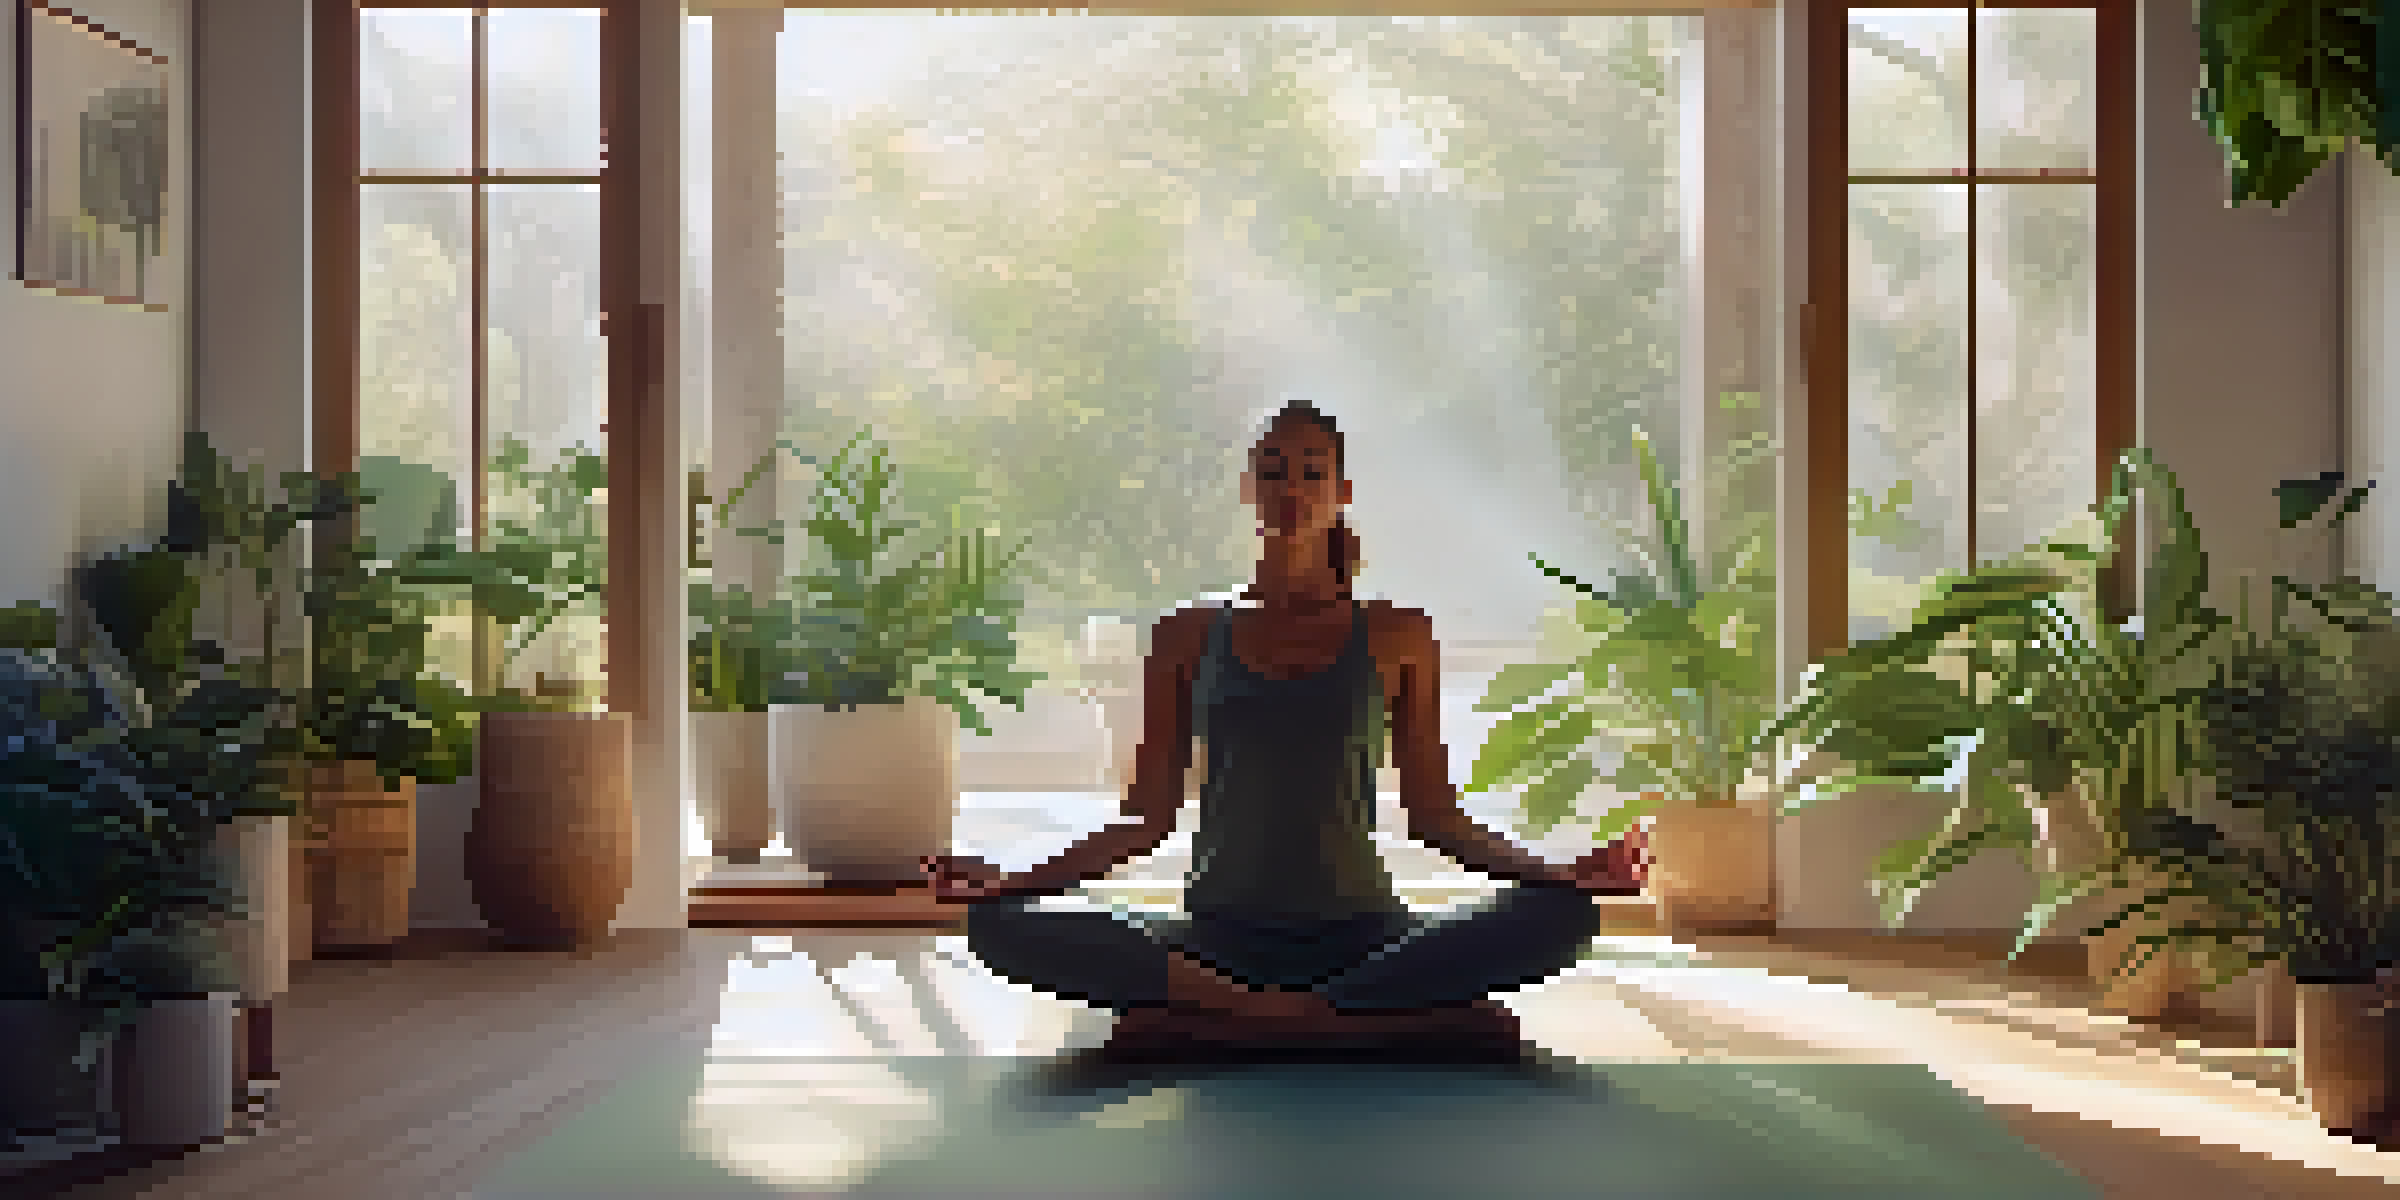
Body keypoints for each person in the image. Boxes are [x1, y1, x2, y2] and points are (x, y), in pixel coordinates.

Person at [923, 400, 1648, 1060]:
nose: (1290, 489)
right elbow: (1142, 821)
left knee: (1560, 917)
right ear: (1248, 490)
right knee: (998, 925)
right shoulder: (1184, 636)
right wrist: (1009, 882)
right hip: (1216, 942)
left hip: (1363, 935)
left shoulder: (1399, 634)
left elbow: (1438, 819)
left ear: (1342, 494)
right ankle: (1362, 1022)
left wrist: (1558, 875)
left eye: (1311, 472)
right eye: (1272, 471)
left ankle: (1243, 1022)